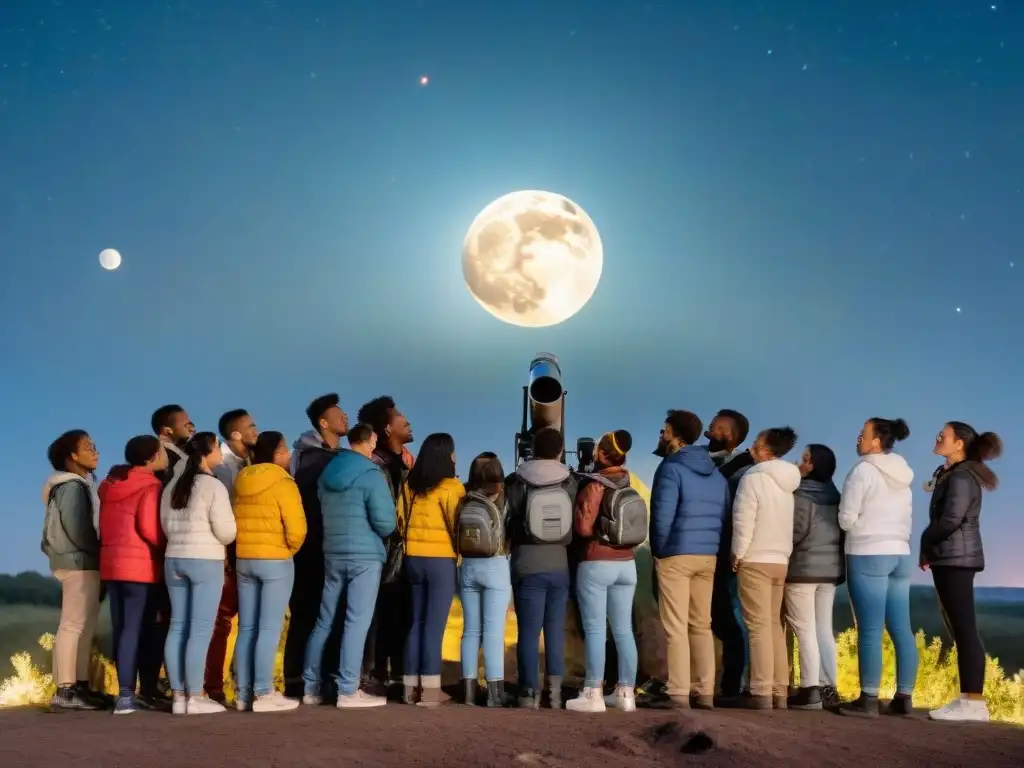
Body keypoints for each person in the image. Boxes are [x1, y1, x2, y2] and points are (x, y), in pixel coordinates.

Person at [303, 423, 396, 709]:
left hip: (333, 551)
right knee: (356, 621)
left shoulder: (328, 472)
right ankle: (347, 690)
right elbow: (386, 522)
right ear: (368, 441)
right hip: (364, 555)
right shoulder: (371, 474)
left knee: (324, 620)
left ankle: (310, 688)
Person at [921, 422, 1002, 723]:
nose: (938, 436)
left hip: (956, 558)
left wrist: (925, 540)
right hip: (950, 557)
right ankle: (968, 697)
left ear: (959, 444)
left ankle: (975, 702)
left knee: (965, 630)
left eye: (945, 434)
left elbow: (951, 520)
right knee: (959, 629)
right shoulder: (953, 474)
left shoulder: (961, 477)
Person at [649, 410, 730, 710]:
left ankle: (679, 693)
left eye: (664, 430)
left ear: (676, 436)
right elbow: (724, 517)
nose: (661, 434)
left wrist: (659, 551)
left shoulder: (670, 469)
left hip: (676, 554)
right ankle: (705, 691)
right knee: (701, 624)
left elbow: (662, 516)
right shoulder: (716, 474)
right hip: (707, 556)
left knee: (676, 627)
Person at [837, 417, 918, 718]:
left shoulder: (862, 471)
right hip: (901, 553)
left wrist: (856, 526)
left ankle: (868, 700)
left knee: (870, 629)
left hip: (868, 551)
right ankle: (904, 698)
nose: (857, 438)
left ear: (875, 442)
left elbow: (846, 518)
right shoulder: (904, 473)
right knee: (902, 629)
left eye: (863, 434)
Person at [161, 432, 237, 715]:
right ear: (207, 453)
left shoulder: (172, 486)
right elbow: (227, 532)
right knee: (201, 628)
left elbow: (165, 525)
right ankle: (195, 696)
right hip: (205, 560)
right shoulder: (212, 486)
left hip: (174, 560)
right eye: (218, 448)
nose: (221, 453)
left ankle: (179, 696)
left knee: (178, 626)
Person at [232, 431, 307, 712]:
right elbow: (297, 528)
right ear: (276, 453)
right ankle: (264, 692)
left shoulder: (242, 479)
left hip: (244, 557)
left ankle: (243, 693)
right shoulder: (283, 482)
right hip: (275, 558)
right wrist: (288, 549)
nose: (288, 455)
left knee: (247, 627)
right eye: (285, 449)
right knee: (269, 627)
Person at [566, 430, 640, 713]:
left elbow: (584, 528)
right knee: (623, 630)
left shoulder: (596, 485)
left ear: (601, 454)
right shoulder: (627, 484)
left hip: (597, 562)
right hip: (627, 564)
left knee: (595, 629)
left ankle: (592, 693)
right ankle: (625, 694)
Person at [98, 436, 170, 714]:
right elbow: (150, 530)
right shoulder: (150, 486)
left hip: (112, 565)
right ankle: (142, 693)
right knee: (146, 628)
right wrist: (167, 544)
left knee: (123, 629)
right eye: (162, 452)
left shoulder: (109, 486)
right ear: (152, 458)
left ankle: (124, 693)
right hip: (140, 566)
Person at [505, 427, 576, 710]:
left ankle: (527, 693)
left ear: (532, 448)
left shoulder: (517, 480)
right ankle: (555, 694)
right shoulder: (570, 481)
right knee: (555, 631)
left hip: (526, 562)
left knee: (529, 632)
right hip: (559, 562)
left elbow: (509, 517)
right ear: (560, 451)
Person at [284, 393, 349, 699]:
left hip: (324, 547)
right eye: (339, 415)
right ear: (323, 423)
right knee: (309, 613)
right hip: (314, 549)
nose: (345, 417)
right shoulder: (314, 461)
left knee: (320, 614)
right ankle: (301, 681)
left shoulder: (318, 458)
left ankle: (311, 680)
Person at [731, 427, 801, 711]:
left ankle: (760, 690)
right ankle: (779, 691)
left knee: (757, 627)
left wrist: (737, 552)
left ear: (767, 450)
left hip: (756, 558)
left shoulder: (753, 479)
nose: (752, 447)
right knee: (774, 625)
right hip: (780, 559)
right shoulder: (788, 483)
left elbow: (744, 519)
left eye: (757, 443)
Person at [41, 430, 105, 712]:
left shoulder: (75, 485)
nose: (95, 451)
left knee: (83, 627)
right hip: (79, 563)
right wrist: (102, 552)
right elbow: (80, 531)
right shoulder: (72, 487)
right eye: (88, 447)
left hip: (80, 562)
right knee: (73, 626)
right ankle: (66, 690)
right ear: (72, 457)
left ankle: (79, 686)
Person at [399, 432, 462, 706]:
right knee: (434, 626)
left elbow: (399, 520)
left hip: (412, 559)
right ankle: (431, 690)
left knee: (415, 624)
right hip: (440, 562)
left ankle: (409, 688)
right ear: (446, 455)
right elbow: (458, 525)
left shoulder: (409, 485)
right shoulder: (452, 487)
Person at [357, 395, 415, 694]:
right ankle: (374, 677)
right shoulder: (379, 466)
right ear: (388, 430)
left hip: (397, 556)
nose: (406, 418)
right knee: (379, 617)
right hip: (384, 556)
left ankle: (391, 676)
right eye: (399, 415)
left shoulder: (399, 462)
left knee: (397, 616)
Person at [783, 443, 843, 711]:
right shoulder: (836, 495)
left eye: (805, 459)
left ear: (813, 466)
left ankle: (810, 691)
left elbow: (795, 533)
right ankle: (828, 686)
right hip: (829, 572)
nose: (800, 462)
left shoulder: (802, 495)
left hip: (803, 570)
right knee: (822, 630)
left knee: (803, 629)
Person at [204, 408, 258, 704]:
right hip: (228, 555)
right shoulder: (222, 468)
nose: (256, 430)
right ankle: (213, 686)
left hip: (244, 553)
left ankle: (238, 684)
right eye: (251, 426)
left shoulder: (246, 463)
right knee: (221, 621)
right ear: (235, 434)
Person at [704, 409, 752, 703]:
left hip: (726, 556)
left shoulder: (739, 472)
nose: (710, 427)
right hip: (714, 552)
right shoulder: (724, 466)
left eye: (716, 426)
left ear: (730, 436)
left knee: (730, 620)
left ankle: (734, 684)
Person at [457, 452, 512, 707]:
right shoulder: (502, 497)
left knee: (470, 630)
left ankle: (468, 691)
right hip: (495, 565)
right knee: (493, 631)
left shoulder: (464, 497)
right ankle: (494, 693)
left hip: (468, 565)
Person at [151, 405, 196, 486]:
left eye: (191, 424)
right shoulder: (160, 457)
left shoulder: (186, 451)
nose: (191, 429)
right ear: (167, 430)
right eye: (186, 425)